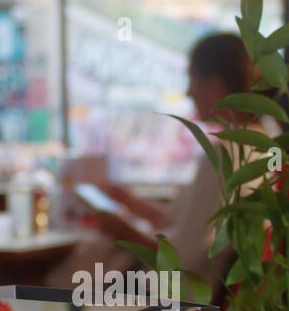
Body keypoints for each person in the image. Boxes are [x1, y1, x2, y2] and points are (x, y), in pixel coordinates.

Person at [59, 32, 257, 289]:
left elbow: (180, 263)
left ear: (215, 85)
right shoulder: (257, 145)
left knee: (61, 277)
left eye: (192, 80)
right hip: (202, 290)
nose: (188, 92)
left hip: (178, 297)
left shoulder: (222, 157)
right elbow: (188, 227)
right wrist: (130, 202)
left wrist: (121, 232)